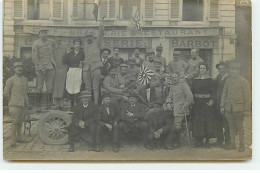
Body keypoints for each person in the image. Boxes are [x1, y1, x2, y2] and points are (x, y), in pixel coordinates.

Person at [220, 60, 251, 152]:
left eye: (236, 69)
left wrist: (246, 110)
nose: (234, 71)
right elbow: (224, 94)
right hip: (229, 108)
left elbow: (247, 97)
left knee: (240, 127)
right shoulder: (228, 81)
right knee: (231, 126)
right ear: (230, 71)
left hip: (239, 109)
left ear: (239, 71)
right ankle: (232, 143)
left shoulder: (244, 81)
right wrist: (222, 106)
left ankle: (241, 144)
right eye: (232, 69)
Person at [4, 62, 29, 148]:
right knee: (14, 122)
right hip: (14, 104)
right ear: (14, 69)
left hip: (23, 104)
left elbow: (26, 92)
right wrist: (11, 100)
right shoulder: (10, 80)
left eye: (21, 67)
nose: (19, 69)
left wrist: (27, 102)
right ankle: (13, 141)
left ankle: (19, 137)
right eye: (17, 67)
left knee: (20, 122)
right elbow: (5, 93)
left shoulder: (25, 79)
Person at [191, 62, 216, 148]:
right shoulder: (195, 80)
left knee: (207, 122)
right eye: (201, 68)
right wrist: (193, 101)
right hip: (197, 104)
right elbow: (192, 92)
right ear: (198, 69)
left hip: (207, 104)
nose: (202, 70)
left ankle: (208, 141)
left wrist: (212, 100)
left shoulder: (210, 80)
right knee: (198, 122)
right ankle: (199, 140)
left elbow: (213, 92)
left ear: (207, 70)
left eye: (204, 68)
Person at [165, 73, 193, 148]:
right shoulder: (172, 86)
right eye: (172, 77)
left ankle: (174, 142)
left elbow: (190, 97)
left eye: (175, 77)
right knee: (167, 121)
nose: (174, 79)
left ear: (178, 78)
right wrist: (168, 103)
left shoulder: (183, 85)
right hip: (173, 108)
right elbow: (169, 96)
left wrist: (185, 106)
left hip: (181, 109)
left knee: (176, 125)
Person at [32, 29, 56, 112]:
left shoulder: (50, 42)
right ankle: (38, 106)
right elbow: (35, 57)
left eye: (45, 33)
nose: (44, 35)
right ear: (39, 34)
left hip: (50, 67)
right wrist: (40, 67)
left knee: (50, 87)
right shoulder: (36, 43)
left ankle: (49, 105)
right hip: (41, 67)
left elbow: (57, 45)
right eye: (42, 33)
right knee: (39, 87)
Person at [82, 15, 105, 105]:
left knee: (95, 88)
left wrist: (101, 23)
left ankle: (95, 105)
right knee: (87, 88)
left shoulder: (97, 43)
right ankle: (88, 104)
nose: (89, 38)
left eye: (90, 36)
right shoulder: (84, 45)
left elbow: (100, 33)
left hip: (95, 68)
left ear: (93, 37)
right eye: (87, 36)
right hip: (86, 68)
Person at [63, 39, 85, 110]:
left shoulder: (82, 53)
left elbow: (84, 61)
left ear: (80, 45)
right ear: (73, 45)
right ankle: (72, 105)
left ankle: (77, 105)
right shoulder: (70, 53)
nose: (77, 45)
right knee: (71, 87)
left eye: (78, 44)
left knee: (77, 87)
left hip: (79, 71)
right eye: (76, 44)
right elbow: (64, 61)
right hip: (71, 70)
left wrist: (82, 64)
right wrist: (67, 53)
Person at [214, 61, 230, 147]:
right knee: (218, 123)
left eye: (223, 69)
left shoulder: (229, 78)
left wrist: (223, 104)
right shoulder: (217, 77)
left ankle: (228, 141)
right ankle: (219, 141)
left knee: (226, 123)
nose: (221, 70)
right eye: (219, 69)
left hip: (225, 104)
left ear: (226, 69)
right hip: (217, 104)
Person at [52, 40, 68, 110]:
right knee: (55, 86)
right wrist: (55, 66)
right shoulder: (52, 49)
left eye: (60, 41)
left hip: (63, 69)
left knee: (62, 86)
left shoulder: (64, 49)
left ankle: (62, 103)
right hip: (55, 68)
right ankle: (56, 103)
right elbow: (51, 58)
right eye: (57, 41)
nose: (58, 43)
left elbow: (67, 58)